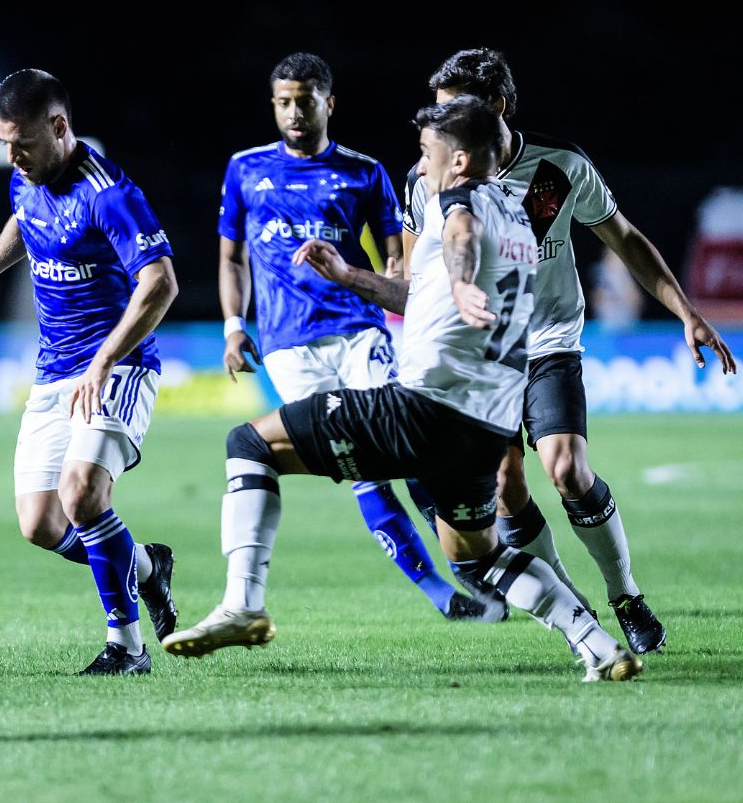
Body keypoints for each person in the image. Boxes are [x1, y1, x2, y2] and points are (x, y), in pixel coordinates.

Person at [165, 96, 643, 682]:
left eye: (427, 152)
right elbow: (422, 293)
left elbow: (461, 238)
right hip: (482, 429)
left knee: (250, 444)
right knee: (478, 552)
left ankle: (243, 603)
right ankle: (596, 644)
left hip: (423, 408)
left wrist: (464, 283)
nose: (419, 165)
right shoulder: (520, 219)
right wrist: (349, 276)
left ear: (461, 159)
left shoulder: (459, 204)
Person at [405, 49, 737, 654]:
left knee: (567, 469)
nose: (440, 122)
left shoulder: (559, 167)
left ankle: (626, 595)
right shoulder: (426, 177)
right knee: (506, 488)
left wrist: (687, 312)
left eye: (454, 109)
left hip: (549, 337)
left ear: (498, 107)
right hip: (481, 355)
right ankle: (570, 604)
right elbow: (412, 276)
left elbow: (626, 238)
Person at [214, 51, 496, 625]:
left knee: (411, 446)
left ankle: (467, 558)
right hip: (289, 347)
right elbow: (231, 257)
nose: (295, 113)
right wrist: (233, 325)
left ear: (328, 102)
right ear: (274, 105)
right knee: (361, 470)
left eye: (306, 101)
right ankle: (441, 594)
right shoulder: (244, 169)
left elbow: (397, 256)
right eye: (284, 102)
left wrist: (402, 304)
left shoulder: (364, 171)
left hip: (359, 333)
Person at [0, 69, 179, 675]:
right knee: (40, 524)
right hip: (54, 374)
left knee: (80, 494)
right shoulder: (27, 175)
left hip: (117, 368)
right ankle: (147, 567)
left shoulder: (110, 194)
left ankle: (126, 647)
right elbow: (25, 221)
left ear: (60, 127)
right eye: (3, 144)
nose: (12, 157)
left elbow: (161, 283)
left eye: (21, 143)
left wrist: (104, 360)